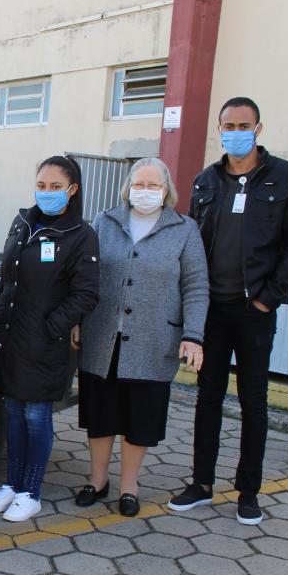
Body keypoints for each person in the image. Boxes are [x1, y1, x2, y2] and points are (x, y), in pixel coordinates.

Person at [169, 97, 288, 525]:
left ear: (258, 129)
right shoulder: (206, 181)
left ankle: (248, 491)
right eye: (228, 125)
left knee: (254, 401)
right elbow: (191, 243)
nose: (235, 131)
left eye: (243, 124)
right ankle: (201, 483)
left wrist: (269, 297)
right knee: (207, 398)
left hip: (255, 311)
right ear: (220, 129)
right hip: (211, 309)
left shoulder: (285, 178)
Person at [72, 157, 208, 516]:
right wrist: (75, 320)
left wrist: (193, 334)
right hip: (102, 336)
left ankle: (129, 485)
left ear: (167, 191)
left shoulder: (184, 229)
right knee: (100, 413)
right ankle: (97, 479)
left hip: (152, 341)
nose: (145, 192)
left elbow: (195, 286)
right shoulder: (106, 221)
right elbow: (84, 275)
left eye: (153, 185)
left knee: (139, 417)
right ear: (127, 188)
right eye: (139, 184)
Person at [0, 156, 99, 522]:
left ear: (72, 190)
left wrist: (51, 328)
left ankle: (32, 490)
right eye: (42, 185)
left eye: (55, 187)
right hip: (11, 338)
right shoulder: (23, 223)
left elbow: (86, 294)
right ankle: (13, 484)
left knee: (35, 414)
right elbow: (8, 281)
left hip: (46, 342)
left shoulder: (80, 234)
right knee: (12, 412)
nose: (46, 193)